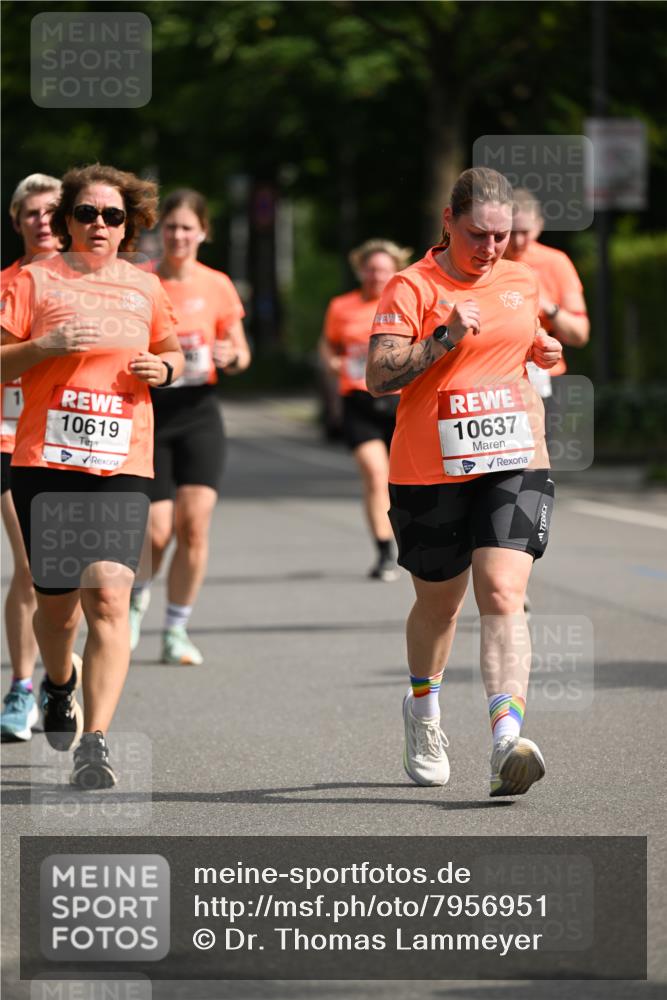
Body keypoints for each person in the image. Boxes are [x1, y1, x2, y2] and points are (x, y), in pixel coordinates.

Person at [365, 167, 563, 798]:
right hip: (430, 467)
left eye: (502, 236)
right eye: (478, 233)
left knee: (503, 591)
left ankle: (508, 737)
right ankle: (423, 711)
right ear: (448, 222)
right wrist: (446, 335)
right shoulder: (411, 285)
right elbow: (379, 375)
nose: (491, 248)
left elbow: (525, 341)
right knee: (439, 604)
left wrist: (545, 350)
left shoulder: (521, 279)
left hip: (515, 455)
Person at [0, 163, 183, 788]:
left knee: (108, 594)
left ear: (128, 223)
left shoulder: (144, 286)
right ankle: (58, 682)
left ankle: (96, 739)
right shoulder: (33, 280)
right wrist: (42, 348)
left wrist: (166, 369)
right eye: (87, 213)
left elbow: (172, 349)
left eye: (112, 215)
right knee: (56, 608)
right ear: (66, 220)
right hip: (47, 463)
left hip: (123, 461)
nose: (100, 224)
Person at [129, 189, 250, 665]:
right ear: (161, 233)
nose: (178, 235)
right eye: (170, 227)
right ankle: (139, 593)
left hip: (200, 412)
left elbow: (241, 349)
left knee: (194, 527)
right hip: (151, 412)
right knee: (157, 532)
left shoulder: (217, 283)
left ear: (203, 232)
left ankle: (176, 629)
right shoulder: (141, 280)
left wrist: (232, 356)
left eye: (187, 227)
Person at [504, 188, 590, 616]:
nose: (516, 242)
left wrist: (548, 305)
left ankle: (514, 580)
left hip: (539, 386)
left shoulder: (554, 263)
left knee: (528, 481)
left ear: (538, 227)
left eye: (525, 232)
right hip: (488, 385)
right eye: (509, 232)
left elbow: (579, 333)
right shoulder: (486, 259)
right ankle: (492, 569)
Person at [1, 173, 63, 741]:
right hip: (8, 438)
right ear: (17, 220)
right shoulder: (6, 283)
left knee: (74, 577)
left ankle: (60, 676)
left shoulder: (89, 284)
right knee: (30, 566)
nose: (42, 221)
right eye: (31, 213)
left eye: (52, 212)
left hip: (73, 443)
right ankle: (24, 687)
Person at [319, 239, 411, 581]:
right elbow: (329, 344)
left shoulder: (406, 303)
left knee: (404, 481)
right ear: (361, 271)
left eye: (384, 270)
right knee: (375, 474)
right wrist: (331, 360)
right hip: (358, 400)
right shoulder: (341, 306)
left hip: (401, 401)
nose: (377, 276)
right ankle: (385, 551)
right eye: (371, 270)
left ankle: (410, 542)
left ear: (396, 271)